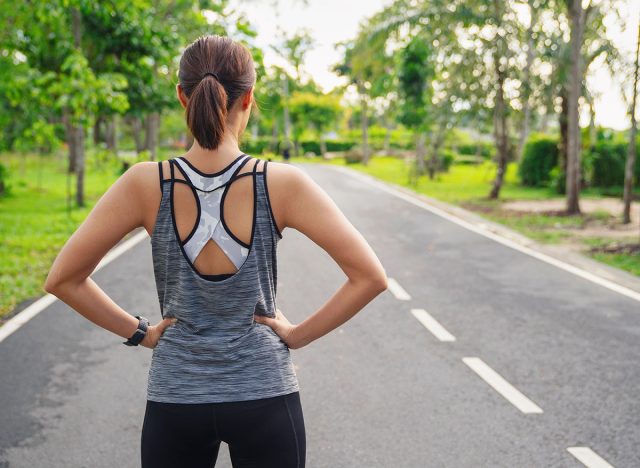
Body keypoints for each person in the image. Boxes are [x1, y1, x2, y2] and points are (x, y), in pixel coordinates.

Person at [44, 34, 388, 468]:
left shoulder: (144, 184)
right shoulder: (282, 184)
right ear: (248, 99)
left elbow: (63, 279)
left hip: (176, 396)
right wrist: (296, 335)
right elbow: (370, 277)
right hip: (264, 392)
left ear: (181, 97)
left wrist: (141, 333)